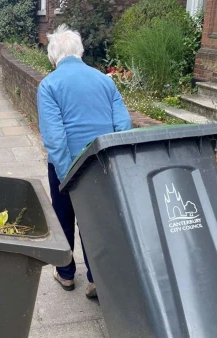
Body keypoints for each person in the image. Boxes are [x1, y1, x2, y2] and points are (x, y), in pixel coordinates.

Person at [37, 24, 132, 299]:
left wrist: (68, 175)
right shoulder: (105, 80)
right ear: (80, 52)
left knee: (64, 217)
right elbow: (123, 125)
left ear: (53, 58)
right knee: (96, 221)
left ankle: (66, 275)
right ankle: (96, 280)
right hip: (102, 164)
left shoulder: (50, 85)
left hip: (67, 166)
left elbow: (55, 138)